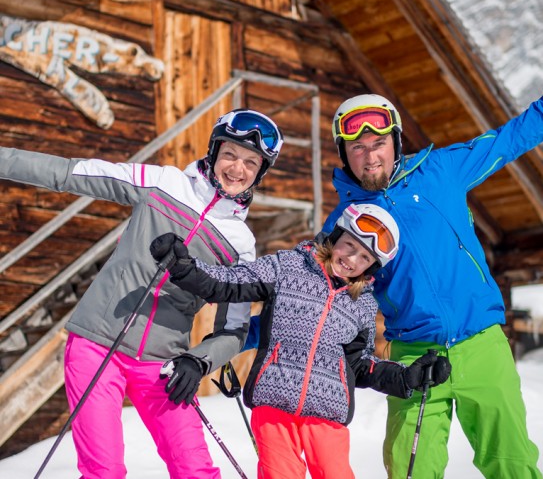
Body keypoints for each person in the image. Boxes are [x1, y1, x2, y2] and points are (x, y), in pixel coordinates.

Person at [0, 108, 284, 479]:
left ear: (260, 173)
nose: (237, 168)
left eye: (251, 162)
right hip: (96, 346)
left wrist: (199, 361)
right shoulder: (162, 182)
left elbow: (233, 329)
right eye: (229, 154)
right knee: (104, 471)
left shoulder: (241, 245)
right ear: (214, 152)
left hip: (163, 364)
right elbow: (69, 173)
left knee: (194, 470)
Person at [323, 93, 543, 478]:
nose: (370, 156)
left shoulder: (442, 170)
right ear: (344, 154)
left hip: (482, 344)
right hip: (413, 356)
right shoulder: (342, 223)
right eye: (358, 148)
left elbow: (512, 137)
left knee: (511, 464)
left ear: (396, 142)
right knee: (411, 469)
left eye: (378, 144)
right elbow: (304, 292)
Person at [149, 203, 451, 479]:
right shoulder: (289, 266)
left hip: (328, 416)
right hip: (274, 405)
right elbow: (229, 282)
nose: (351, 260)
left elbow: (359, 366)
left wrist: (406, 376)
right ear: (336, 237)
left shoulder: (363, 305)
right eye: (349, 246)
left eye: (364, 258)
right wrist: (185, 268)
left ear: (371, 267)